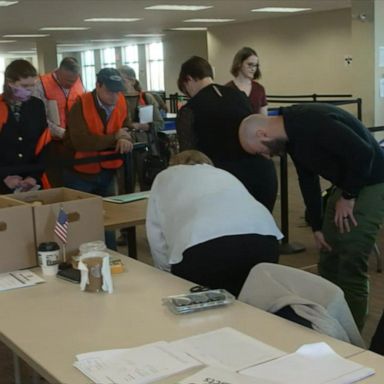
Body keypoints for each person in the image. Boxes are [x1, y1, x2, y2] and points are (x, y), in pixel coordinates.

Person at [238, 103, 384, 330]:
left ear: (262, 133)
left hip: (373, 181)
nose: (266, 156)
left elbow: (364, 153)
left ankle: (351, 333)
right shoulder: (292, 137)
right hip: (348, 184)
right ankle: (330, 324)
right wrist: (316, 226)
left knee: (350, 257)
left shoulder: (311, 122)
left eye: (260, 151)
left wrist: (348, 196)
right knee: (328, 256)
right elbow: (308, 181)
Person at [146, 150, 283, 297]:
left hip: (203, 247)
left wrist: (166, 273)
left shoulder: (165, 176)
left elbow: (156, 234)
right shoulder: (223, 174)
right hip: (265, 240)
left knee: (204, 306)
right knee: (256, 299)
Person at [176, 56, 277, 212]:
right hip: (262, 176)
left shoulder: (190, 109)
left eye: (185, 89)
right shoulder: (240, 96)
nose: (188, 95)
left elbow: (188, 156)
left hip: (221, 182)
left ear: (188, 79)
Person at [63, 68, 133, 248]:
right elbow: (82, 142)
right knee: (79, 220)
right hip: (80, 173)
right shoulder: (80, 105)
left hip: (108, 171)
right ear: (98, 86)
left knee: (107, 219)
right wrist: (114, 137)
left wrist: (125, 136)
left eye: (118, 91)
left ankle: (110, 255)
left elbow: (126, 126)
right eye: (110, 91)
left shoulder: (121, 102)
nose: (115, 96)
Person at [0, 59, 51, 194]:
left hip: (32, 181)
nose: (29, 90)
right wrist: (3, 176)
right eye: (24, 86)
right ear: (10, 83)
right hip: (4, 182)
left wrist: (34, 176)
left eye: (32, 85)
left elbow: (44, 144)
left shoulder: (37, 105)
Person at [33, 57, 85, 187]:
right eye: (67, 80)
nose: (71, 84)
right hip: (52, 143)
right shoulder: (40, 84)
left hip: (74, 142)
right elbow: (40, 118)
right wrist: (62, 133)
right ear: (59, 72)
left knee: (76, 180)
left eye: (74, 80)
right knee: (57, 181)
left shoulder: (78, 82)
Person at [117, 65, 164, 190]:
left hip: (145, 148)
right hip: (123, 148)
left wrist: (147, 126)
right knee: (124, 185)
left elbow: (160, 123)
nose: (119, 84)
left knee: (147, 183)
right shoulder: (114, 99)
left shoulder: (146, 98)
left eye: (122, 80)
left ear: (132, 80)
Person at [227, 47, 268, 115]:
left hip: (256, 125)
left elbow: (264, 118)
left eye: (255, 65)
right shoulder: (228, 89)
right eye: (250, 64)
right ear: (239, 64)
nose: (253, 69)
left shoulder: (259, 89)